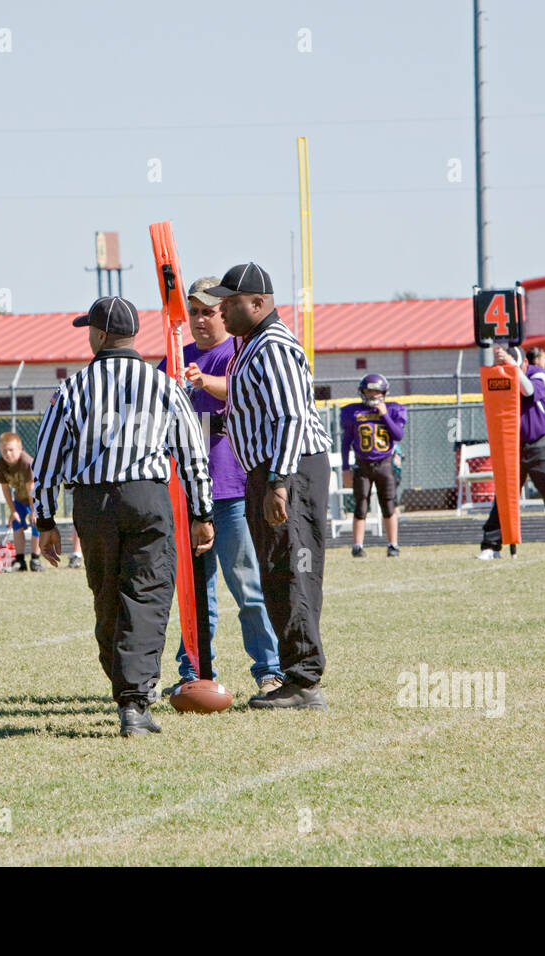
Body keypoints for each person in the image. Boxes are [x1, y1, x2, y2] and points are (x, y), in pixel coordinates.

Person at [32, 296, 214, 737]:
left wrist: (45, 521)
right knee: (148, 595)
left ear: (97, 335)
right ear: (134, 336)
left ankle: (124, 688)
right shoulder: (165, 385)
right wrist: (201, 511)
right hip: (147, 498)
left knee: (107, 595)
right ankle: (135, 701)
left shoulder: (72, 387)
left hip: (94, 504)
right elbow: (192, 454)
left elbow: (47, 459)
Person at [207, 262, 331, 710]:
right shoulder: (250, 344)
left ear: (258, 303)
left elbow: (292, 416)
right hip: (272, 469)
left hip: (289, 469)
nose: (221, 310)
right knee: (276, 571)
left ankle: (303, 680)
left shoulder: (273, 346)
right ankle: (297, 673)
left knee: (292, 569)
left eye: (230, 303)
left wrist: (277, 481)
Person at [156, 277, 285, 697]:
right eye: (192, 312)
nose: (199, 319)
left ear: (224, 313)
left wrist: (202, 383)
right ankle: (192, 671)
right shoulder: (176, 358)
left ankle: (270, 670)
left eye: (207, 311)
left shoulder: (240, 352)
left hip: (231, 492)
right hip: (188, 497)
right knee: (196, 596)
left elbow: (240, 391)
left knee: (247, 587)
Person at [478, 347, 545, 560]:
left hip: (538, 445)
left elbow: (528, 391)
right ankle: (491, 545)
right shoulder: (501, 375)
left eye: (513, 367)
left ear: (524, 365)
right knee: (503, 497)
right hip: (510, 447)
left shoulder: (538, 374)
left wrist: (512, 366)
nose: (506, 371)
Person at [340, 372, 406, 558]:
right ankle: (357, 546)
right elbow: (346, 441)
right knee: (360, 505)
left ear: (384, 393)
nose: (372, 395)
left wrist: (384, 414)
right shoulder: (353, 412)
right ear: (362, 392)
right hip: (362, 464)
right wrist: (345, 467)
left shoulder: (393, 410)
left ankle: (393, 544)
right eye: (368, 391)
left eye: (376, 392)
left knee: (389, 504)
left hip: (384, 463)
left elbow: (398, 435)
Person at [0, 432, 42, 571]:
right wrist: (13, 511)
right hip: (20, 498)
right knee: (16, 523)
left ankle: (35, 559)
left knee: (36, 524)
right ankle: (20, 560)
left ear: (20, 448)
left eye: (11, 450)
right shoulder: (0, 464)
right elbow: (5, 488)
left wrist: (34, 511)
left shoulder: (26, 463)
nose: (8, 454)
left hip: (37, 498)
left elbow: (32, 489)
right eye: (4, 451)